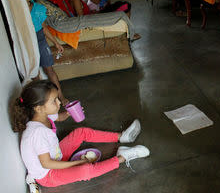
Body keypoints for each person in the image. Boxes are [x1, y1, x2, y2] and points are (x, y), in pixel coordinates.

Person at [13, 80, 150, 187]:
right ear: (39, 108)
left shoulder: (42, 116)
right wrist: (76, 163)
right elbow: (47, 164)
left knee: (81, 132)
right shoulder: (37, 133)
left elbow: (59, 117)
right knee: (85, 170)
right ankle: (122, 157)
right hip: (48, 175)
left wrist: (68, 113)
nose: (59, 102)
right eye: (54, 100)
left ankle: (121, 137)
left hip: (57, 155)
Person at [20, 0, 69, 105]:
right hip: (28, 44)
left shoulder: (38, 8)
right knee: (35, 75)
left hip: (40, 40)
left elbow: (43, 27)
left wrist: (56, 42)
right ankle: (44, 102)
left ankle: (61, 97)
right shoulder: (18, 11)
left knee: (50, 70)